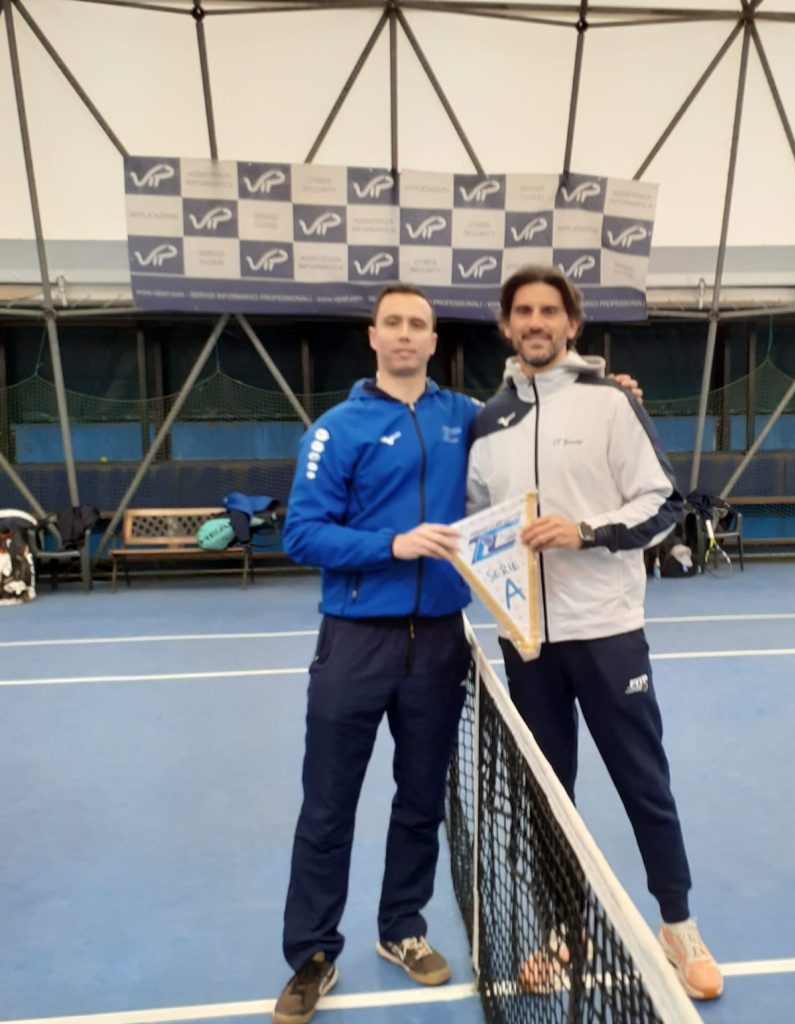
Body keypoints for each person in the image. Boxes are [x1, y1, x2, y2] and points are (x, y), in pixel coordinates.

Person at [465, 265, 724, 1001]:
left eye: (549, 311)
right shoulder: (486, 424)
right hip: (528, 644)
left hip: (608, 632)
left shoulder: (612, 403)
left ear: (572, 325)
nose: (535, 322)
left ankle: (679, 926)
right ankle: (563, 930)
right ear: (507, 325)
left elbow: (663, 502)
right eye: (523, 311)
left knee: (645, 783)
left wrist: (585, 531)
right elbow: (477, 520)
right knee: (548, 798)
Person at [272, 285, 476, 1024]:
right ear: (373, 336)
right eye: (393, 322)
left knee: (421, 800)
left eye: (418, 324)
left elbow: (534, 426)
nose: (405, 334)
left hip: (441, 644)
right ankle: (312, 954)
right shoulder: (336, 429)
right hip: (355, 641)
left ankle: (402, 929)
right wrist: (392, 545)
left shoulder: (467, 418)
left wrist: (609, 393)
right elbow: (302, 534)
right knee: (329, 806)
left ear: (433, 340)